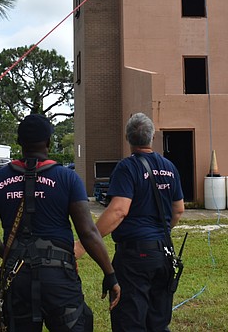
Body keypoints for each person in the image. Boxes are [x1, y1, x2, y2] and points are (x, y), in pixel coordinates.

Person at [0, 114, 120, 331]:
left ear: (19, 142)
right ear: (49, 142)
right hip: (59, 279)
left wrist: (10, 256)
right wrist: (110, 275)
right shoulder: (68, 178)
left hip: (18, 280)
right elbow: (88, 232)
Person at [75, 113, 185, 332]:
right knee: (158, 322)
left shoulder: (127, 168)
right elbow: (179, 209)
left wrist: (84, 243)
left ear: (128, 138)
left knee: (130, 321)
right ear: (152, 136)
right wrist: (158, 234)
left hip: (135, 257)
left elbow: (118, 210)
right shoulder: (169, 167)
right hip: (163, 253)